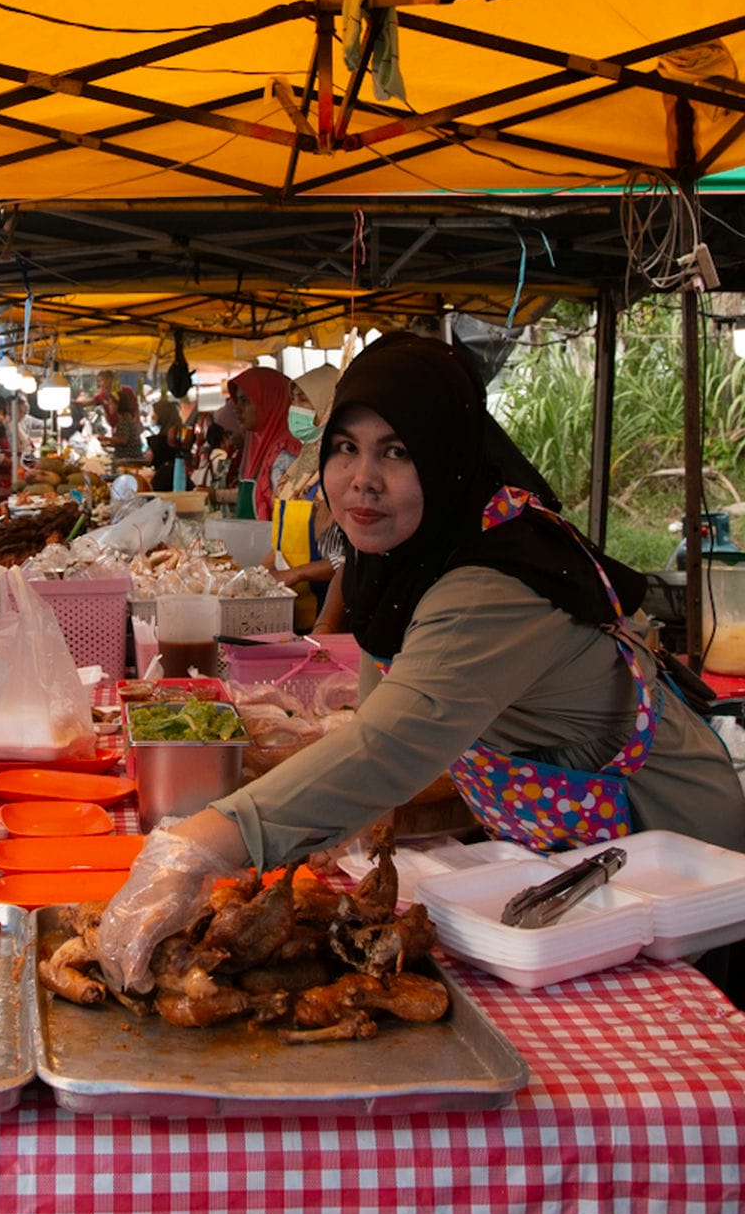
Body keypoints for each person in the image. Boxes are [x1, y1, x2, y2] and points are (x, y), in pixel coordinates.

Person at [97, 331, 745, 994]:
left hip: (675, 860)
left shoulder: (493, 582)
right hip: (561, 862)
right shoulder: (401, 561)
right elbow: (382, 720)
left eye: (397, 453)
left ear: (448, 458)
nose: (362, 480)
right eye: (346, 449)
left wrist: (200, 843)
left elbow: (389, 746)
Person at [271, 366, 343, 630]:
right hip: (289, 610)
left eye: (304, 400)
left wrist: (297, 573)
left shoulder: (337, 473)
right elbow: (284, 542)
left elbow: (346, 560)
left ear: (328, 407)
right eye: (294, 399)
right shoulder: (297, 470)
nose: (295, 408)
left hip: (325, 614)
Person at [227, 366, 300, 520]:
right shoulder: (256, 445)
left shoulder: (286, 453)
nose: (237, 409)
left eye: (245, 401)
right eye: (237, 401)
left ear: (270, 401)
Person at [111, 385, 145, 464]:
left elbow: (123, 440)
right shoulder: (125, 417)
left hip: (131, 461)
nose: (109, 406)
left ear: (117, 405)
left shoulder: (125, 419)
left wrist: (105, 438)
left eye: (111, 403)